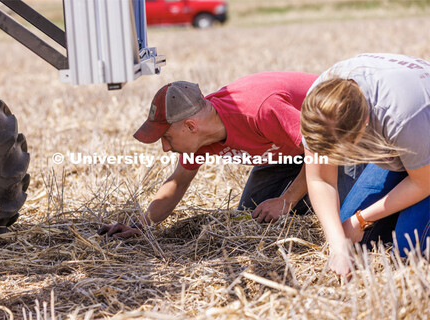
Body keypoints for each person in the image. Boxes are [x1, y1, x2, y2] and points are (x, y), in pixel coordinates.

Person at [99, 71, 354, 239]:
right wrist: (141, 225)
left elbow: (321, 150)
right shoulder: (199, 137)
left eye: (166, 137)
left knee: (342, 212)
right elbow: (178, 181)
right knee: (253, 217)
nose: (165, 147)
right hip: (286, 150)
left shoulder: (259, 110)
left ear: (190, 126)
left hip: (339, 139)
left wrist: (286, 200)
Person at [300, 53, 430, 276]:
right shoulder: (319, 107)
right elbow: (319, 178)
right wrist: (337, 245)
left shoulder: (403, 115)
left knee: (410, 250)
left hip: (422, 151)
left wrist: (362, 219)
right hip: (406, 152)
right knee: (348, 235)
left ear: (365, 126)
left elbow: (423, 183)